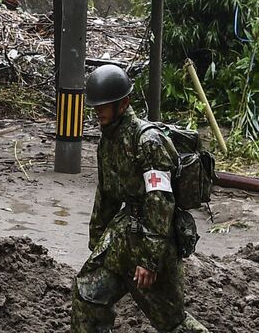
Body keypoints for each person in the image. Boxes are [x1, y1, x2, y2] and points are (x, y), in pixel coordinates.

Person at [72, 65, 208, 333]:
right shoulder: (108, 141)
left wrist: (150, 260)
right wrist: (98, 239)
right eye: (96, 106)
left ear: (123, 104)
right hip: (122, 239)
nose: (98, 111)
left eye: (105, 105)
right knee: (87, 294)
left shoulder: (147, 141)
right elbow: (107, 194)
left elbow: (160, 201)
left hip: (153, 240)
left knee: (173, 322)